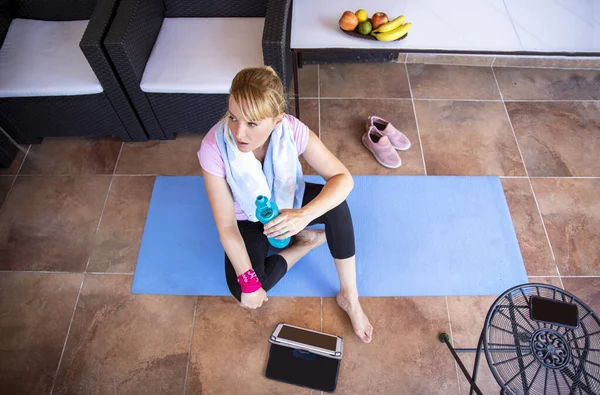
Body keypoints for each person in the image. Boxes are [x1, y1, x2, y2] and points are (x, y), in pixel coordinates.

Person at [198, 66, 373, 343]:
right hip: (246, 218)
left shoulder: (291, 129)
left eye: (252, 123)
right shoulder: (213, 148)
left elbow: (343, 178)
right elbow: (227, 226)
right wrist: (249, 283)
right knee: (242, 287)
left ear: (277, 120)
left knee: (336, 205)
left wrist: (304, 215)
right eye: (232, 117)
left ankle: (349, 297)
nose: (238, 132)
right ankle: (305, 243)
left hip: (287, 200)